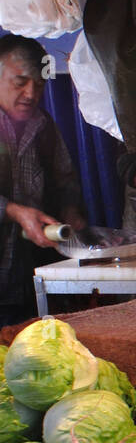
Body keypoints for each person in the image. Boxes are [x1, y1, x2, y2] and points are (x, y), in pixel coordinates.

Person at [0, 35, 86, 326]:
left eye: (39, 84)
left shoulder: (43, 125)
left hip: (26, 280)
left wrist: (70, 212)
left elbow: (65, 182)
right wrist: (14, 212)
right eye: (20, 82)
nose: (30, 93)